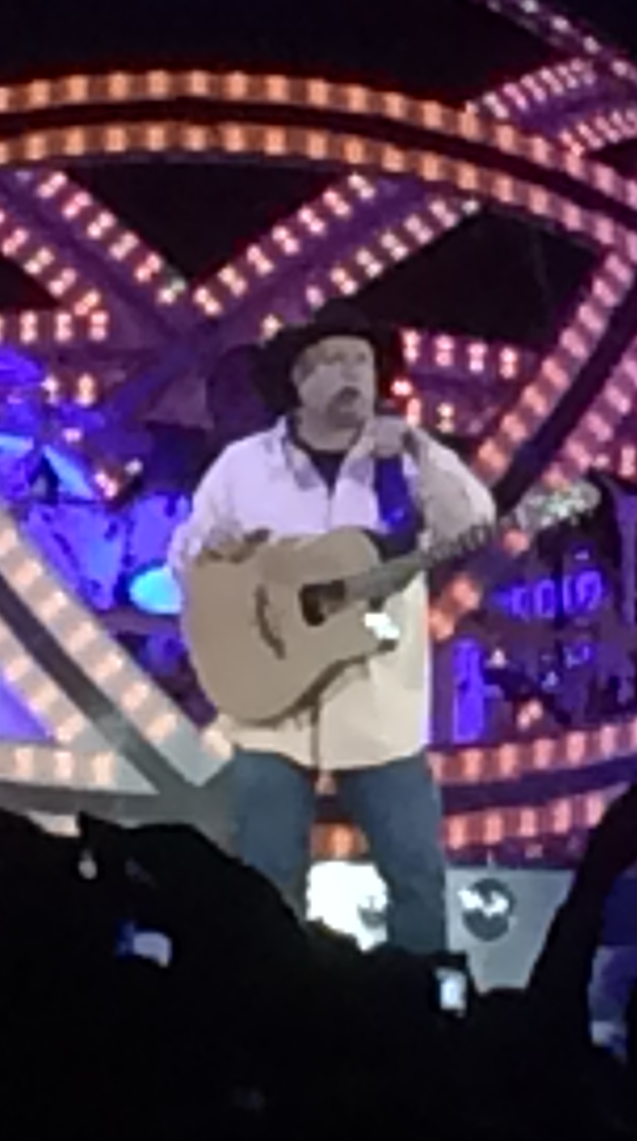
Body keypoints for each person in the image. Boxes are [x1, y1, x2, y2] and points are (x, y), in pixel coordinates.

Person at [173, 306, 493, 955]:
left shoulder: (407, 465)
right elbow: (186, 561)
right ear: (299, 380)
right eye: (334, 362)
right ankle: (271, 998)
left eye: (362, 362)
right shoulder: (243, 466)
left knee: (415, 876)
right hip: (271, 707)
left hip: (379, 709)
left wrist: (420, 448)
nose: (352, 375)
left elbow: (473, 523)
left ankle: (413, 1001)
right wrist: (246, 577)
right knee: (266, 879)